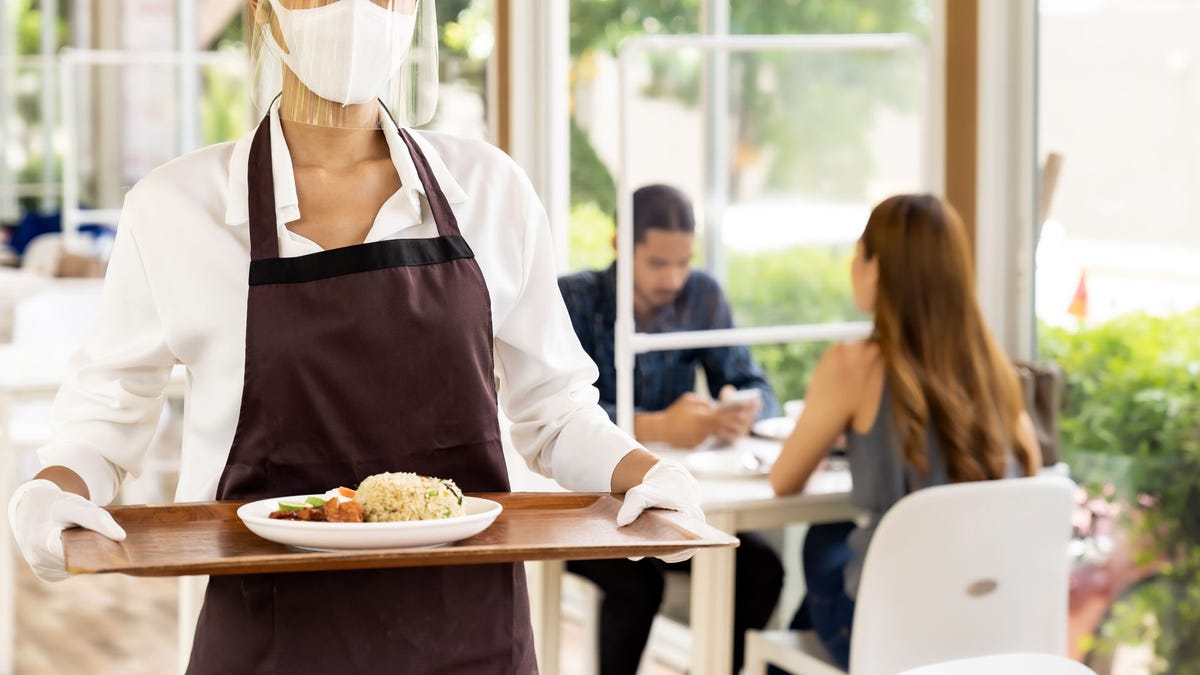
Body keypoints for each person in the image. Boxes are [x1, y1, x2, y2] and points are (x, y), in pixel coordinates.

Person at [5, 2, 704, 673]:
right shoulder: (172, 209)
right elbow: (105, 421)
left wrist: (648, 475)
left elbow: (555, 411)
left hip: (471, 639)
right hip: (271, 641)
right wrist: (48, 489)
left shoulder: (490, 191)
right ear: (264, 9)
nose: (355, 12)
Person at [767, 193, 1043, 670]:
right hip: (988, 628)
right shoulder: (996, 373)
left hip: (893, 633)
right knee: (814, 601)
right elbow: (1032, 480)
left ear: (875, 267)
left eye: (858, 253)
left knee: (824, 536)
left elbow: (783, 480)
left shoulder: (853, 365)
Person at [558, 184, 784, 675]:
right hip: (586, 501)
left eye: (683, 262)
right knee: (638, 584)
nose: (674, 278)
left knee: (761, 569)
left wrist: (740, 406)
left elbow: (758, 387)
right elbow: (553, 415)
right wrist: (659, 425)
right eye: (659, 263)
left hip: (673, 499)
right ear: (621, 245)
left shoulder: (702, 295)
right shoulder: (571, 299)